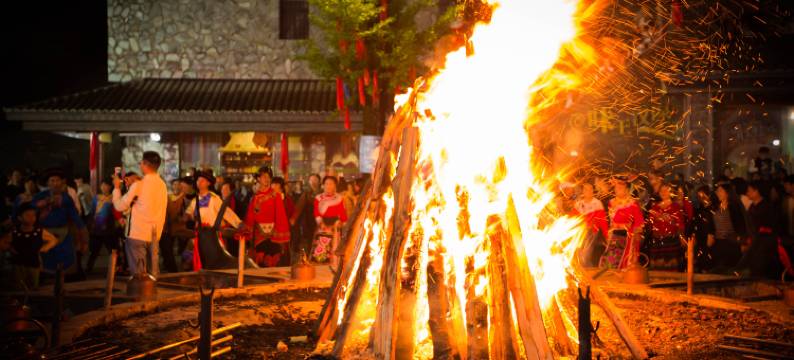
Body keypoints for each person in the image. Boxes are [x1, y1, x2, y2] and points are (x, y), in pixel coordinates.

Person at [112, 152, 168, 275]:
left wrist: (116, 188)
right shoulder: (163, 185)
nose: (140, 165)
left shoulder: (139, 185)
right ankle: (154, 294)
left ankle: (142, 294)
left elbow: (120, 206)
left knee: (139, 276)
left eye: (141, 163)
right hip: (154, 235)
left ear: (145, 164)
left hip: (138, 234)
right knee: (153, 274)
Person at [32, 169, 87, 276]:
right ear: (48, 183)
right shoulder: (40, 196)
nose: (55, 183)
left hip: (63, 232)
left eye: (57, 180)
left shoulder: (67, 198)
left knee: (65, 258)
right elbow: (31, 208)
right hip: (44, 233)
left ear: (62, 182)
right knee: (45, 257)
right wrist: (45, 203)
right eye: (52, 181)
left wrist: (83, 232)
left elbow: (75, 216)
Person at [185, 170, 244, 271]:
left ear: (208, 183)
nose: (199, 182)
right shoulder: (195, 200)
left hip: (213, 237)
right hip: (200, 237)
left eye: (202, 180)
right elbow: (187, 214)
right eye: (198, 180)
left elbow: (226, 212)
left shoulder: (214, 199)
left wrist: (239, 223)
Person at [245, 166, 290, 267]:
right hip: (259, 236)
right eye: (264, 176)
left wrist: (280, 234)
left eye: (269, 176)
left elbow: (280, 216)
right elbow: (250, 217)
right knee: (259, 263)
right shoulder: (254, 198)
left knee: (273, 263)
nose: (267, 179)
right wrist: (248, 232)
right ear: (258, 179)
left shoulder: (276, 195)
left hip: (273, 235)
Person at [738, 181, 782, 278]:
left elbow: (766, 229)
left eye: (749, 190)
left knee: (760, 272)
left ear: (757, 191)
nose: (747, 192)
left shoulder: (766, 207)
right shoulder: (752, 207)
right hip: (754, 244)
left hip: (763, 246)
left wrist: (752, 242)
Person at [9, 203, 58, 290]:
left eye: (33, 215)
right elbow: (4, 242)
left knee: (32, 284)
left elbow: (53, 240)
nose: (31, 218)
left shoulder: (38, 231)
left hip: (33, 263)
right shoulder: (15, 232)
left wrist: (43, 249)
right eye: (28, 215)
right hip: (18, 263)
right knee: (18, 285)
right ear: (20, 218)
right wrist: (10, 248)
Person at [599, 176, 644, 270]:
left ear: (627, 190)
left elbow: (639, 222)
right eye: (616, 188)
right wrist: (608, 233)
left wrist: (636, 235)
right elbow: (611, 221)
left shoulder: (632, 203)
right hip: (614, 236)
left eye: (620, 188)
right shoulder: (611, 202)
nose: (617, 190)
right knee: (610, 262)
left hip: (628, 237)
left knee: (626, 262)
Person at [312, 176, 348, 269]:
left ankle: (334, 268)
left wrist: (341, 223)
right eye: (326, 184)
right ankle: (321, 269)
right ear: (323, 185)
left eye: (331, 184)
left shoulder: (339, 198)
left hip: (335, 227)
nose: (328, 186)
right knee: (322, 250)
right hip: (322, 227)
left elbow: (343, 213)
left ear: (335, 186)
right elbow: (316, 212)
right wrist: (321, 224)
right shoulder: (318, 198)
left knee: (334, 248)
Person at [647, 183, 685, 270]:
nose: (663, 193)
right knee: (658, 268)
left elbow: (680, 224)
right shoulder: (655, 208)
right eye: (661, 191)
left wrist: (670, 220)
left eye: (666, 190)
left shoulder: (676, 207)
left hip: (671, 240)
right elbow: (650, 225)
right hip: (657, 241)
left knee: (672, 267)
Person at [86, 179, 121, 273]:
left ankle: (117, 268)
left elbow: (117, 212)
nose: (104, 187)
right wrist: (90, 224)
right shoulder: (96, 198)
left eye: (107, 185)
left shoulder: (114, 198)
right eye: (103, 185)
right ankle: (89, 268)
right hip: (96, 228)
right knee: (94, 250)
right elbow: (92, 212)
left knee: (113, 250)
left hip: (109, 228)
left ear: (110, 187)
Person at [710, 183, 747, 272]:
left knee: (731, 268)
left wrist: (742, 242)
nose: (717, 193)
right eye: (717, 191)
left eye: (720, 191)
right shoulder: (716, 206)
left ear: (727, 193)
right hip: (718, 242)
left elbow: (741, 224)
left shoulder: (734, 206)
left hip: (731, 242)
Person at [575, 182, 608, 267]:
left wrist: (606, 235)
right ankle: (585, 273)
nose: (589, 191)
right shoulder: (578, 204)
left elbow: (603, 221)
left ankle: (588, 274)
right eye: (586, 189)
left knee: (586, 254)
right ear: (582, 191)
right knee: (579, 254)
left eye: (591, 189)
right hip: (581, 233)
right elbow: (574, 220)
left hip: (593, 232)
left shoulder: (597, 203)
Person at [292, 174, 322, 258]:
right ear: (309, 182)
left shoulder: (323, 193)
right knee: (310, 243)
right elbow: (299, 207)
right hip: (310, 223)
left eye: (315, 180)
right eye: (311, 180)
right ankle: (310, 260)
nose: (313, 182)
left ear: (319, 181)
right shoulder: (306, 194)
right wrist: (293, 218)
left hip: (322, 223)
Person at [690, 186, 716, 272]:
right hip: (700, 236)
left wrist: (711, 233)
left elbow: (714, 222)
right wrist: (694, 234)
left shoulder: (713, 208)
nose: (701, 198)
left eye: (703, 196)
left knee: (708, 256)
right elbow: (696, 222)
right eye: (699, 196)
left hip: (709, 236)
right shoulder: (699, 208)